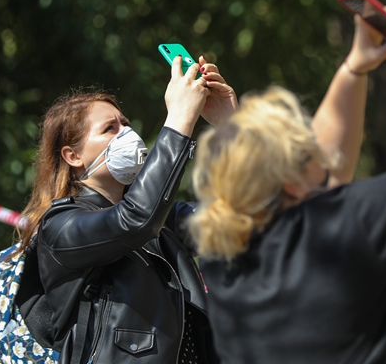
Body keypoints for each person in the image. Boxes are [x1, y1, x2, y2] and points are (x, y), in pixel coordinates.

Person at [190, 2, 386, 364]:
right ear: (292, 182)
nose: (314, 141)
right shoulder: (344, 227)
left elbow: (328, 166)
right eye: (303, 144)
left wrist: (355, 67)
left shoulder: (223, 258)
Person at [14, 54, 236, 364]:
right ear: (73, 155)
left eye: (125, 124)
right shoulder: (60, 228)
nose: (127, 135)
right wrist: (180, 118)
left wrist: (233, 127)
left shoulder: (163, 221)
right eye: (110, 128)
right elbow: (135, 220)